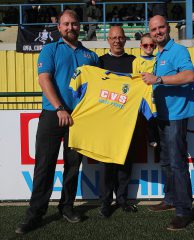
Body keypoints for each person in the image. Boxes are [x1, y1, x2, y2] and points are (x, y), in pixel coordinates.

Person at [15, 9, 99, 234]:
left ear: (79, 26)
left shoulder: (91, 56)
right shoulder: (49, 49)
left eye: (74, 24)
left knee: (73, 166)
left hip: (80, 117)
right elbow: (44, 80)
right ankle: (35, 214)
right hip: (54, 114)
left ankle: (67, 207)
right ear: (59, 27)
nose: (70, 27)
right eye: (66, 24)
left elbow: (98, 89)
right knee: (44, 166)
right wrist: (61, 108)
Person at [141, 15, 194, 230]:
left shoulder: (179, 51)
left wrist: (159, 79)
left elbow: (189, 75)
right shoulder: (159, 54)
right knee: (166, 161)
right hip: (163, 116)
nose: (157, 32)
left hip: (177, 115)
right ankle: (171, 199)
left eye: (161, 27)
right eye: (154, 29)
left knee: (177, 162)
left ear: (168, 28)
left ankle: (183, 211)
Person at [98, 26, 137, 218]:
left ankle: (122, 199)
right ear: (108, 40)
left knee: (125, 163)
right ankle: (106, 202)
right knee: (107, 164)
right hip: (106, 123)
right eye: (113, 38)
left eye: (120, 37)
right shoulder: (100, 62)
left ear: (125, 39)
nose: (117, 41)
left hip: (127, 123)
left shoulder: (134, 62)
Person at [132, 33, 158, 148]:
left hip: (156, 94)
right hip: (142, 96)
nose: (148, 47)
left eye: (151, 45)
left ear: (155, 46)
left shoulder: (158, 59)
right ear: (141, 46)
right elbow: (135, 80)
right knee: (145, 119)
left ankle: (156, 138)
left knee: (156, 118)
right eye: (145, 45)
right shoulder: (136, 61)